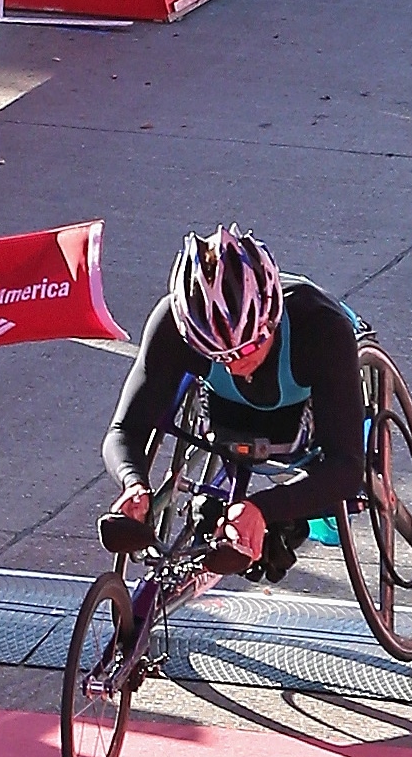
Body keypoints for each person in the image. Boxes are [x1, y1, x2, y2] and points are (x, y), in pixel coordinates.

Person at [101, 225, 364, 578]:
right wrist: (133, 481)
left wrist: (263, 508)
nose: (239, 363)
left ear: (271, 320)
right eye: (220, 355)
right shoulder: (171, 326)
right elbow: (125, 429)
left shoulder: (319, 329)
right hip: (225, 414)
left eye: (251, 347)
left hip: (306, 419)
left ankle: (286, 528)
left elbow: (346, 469)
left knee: (312, 494)